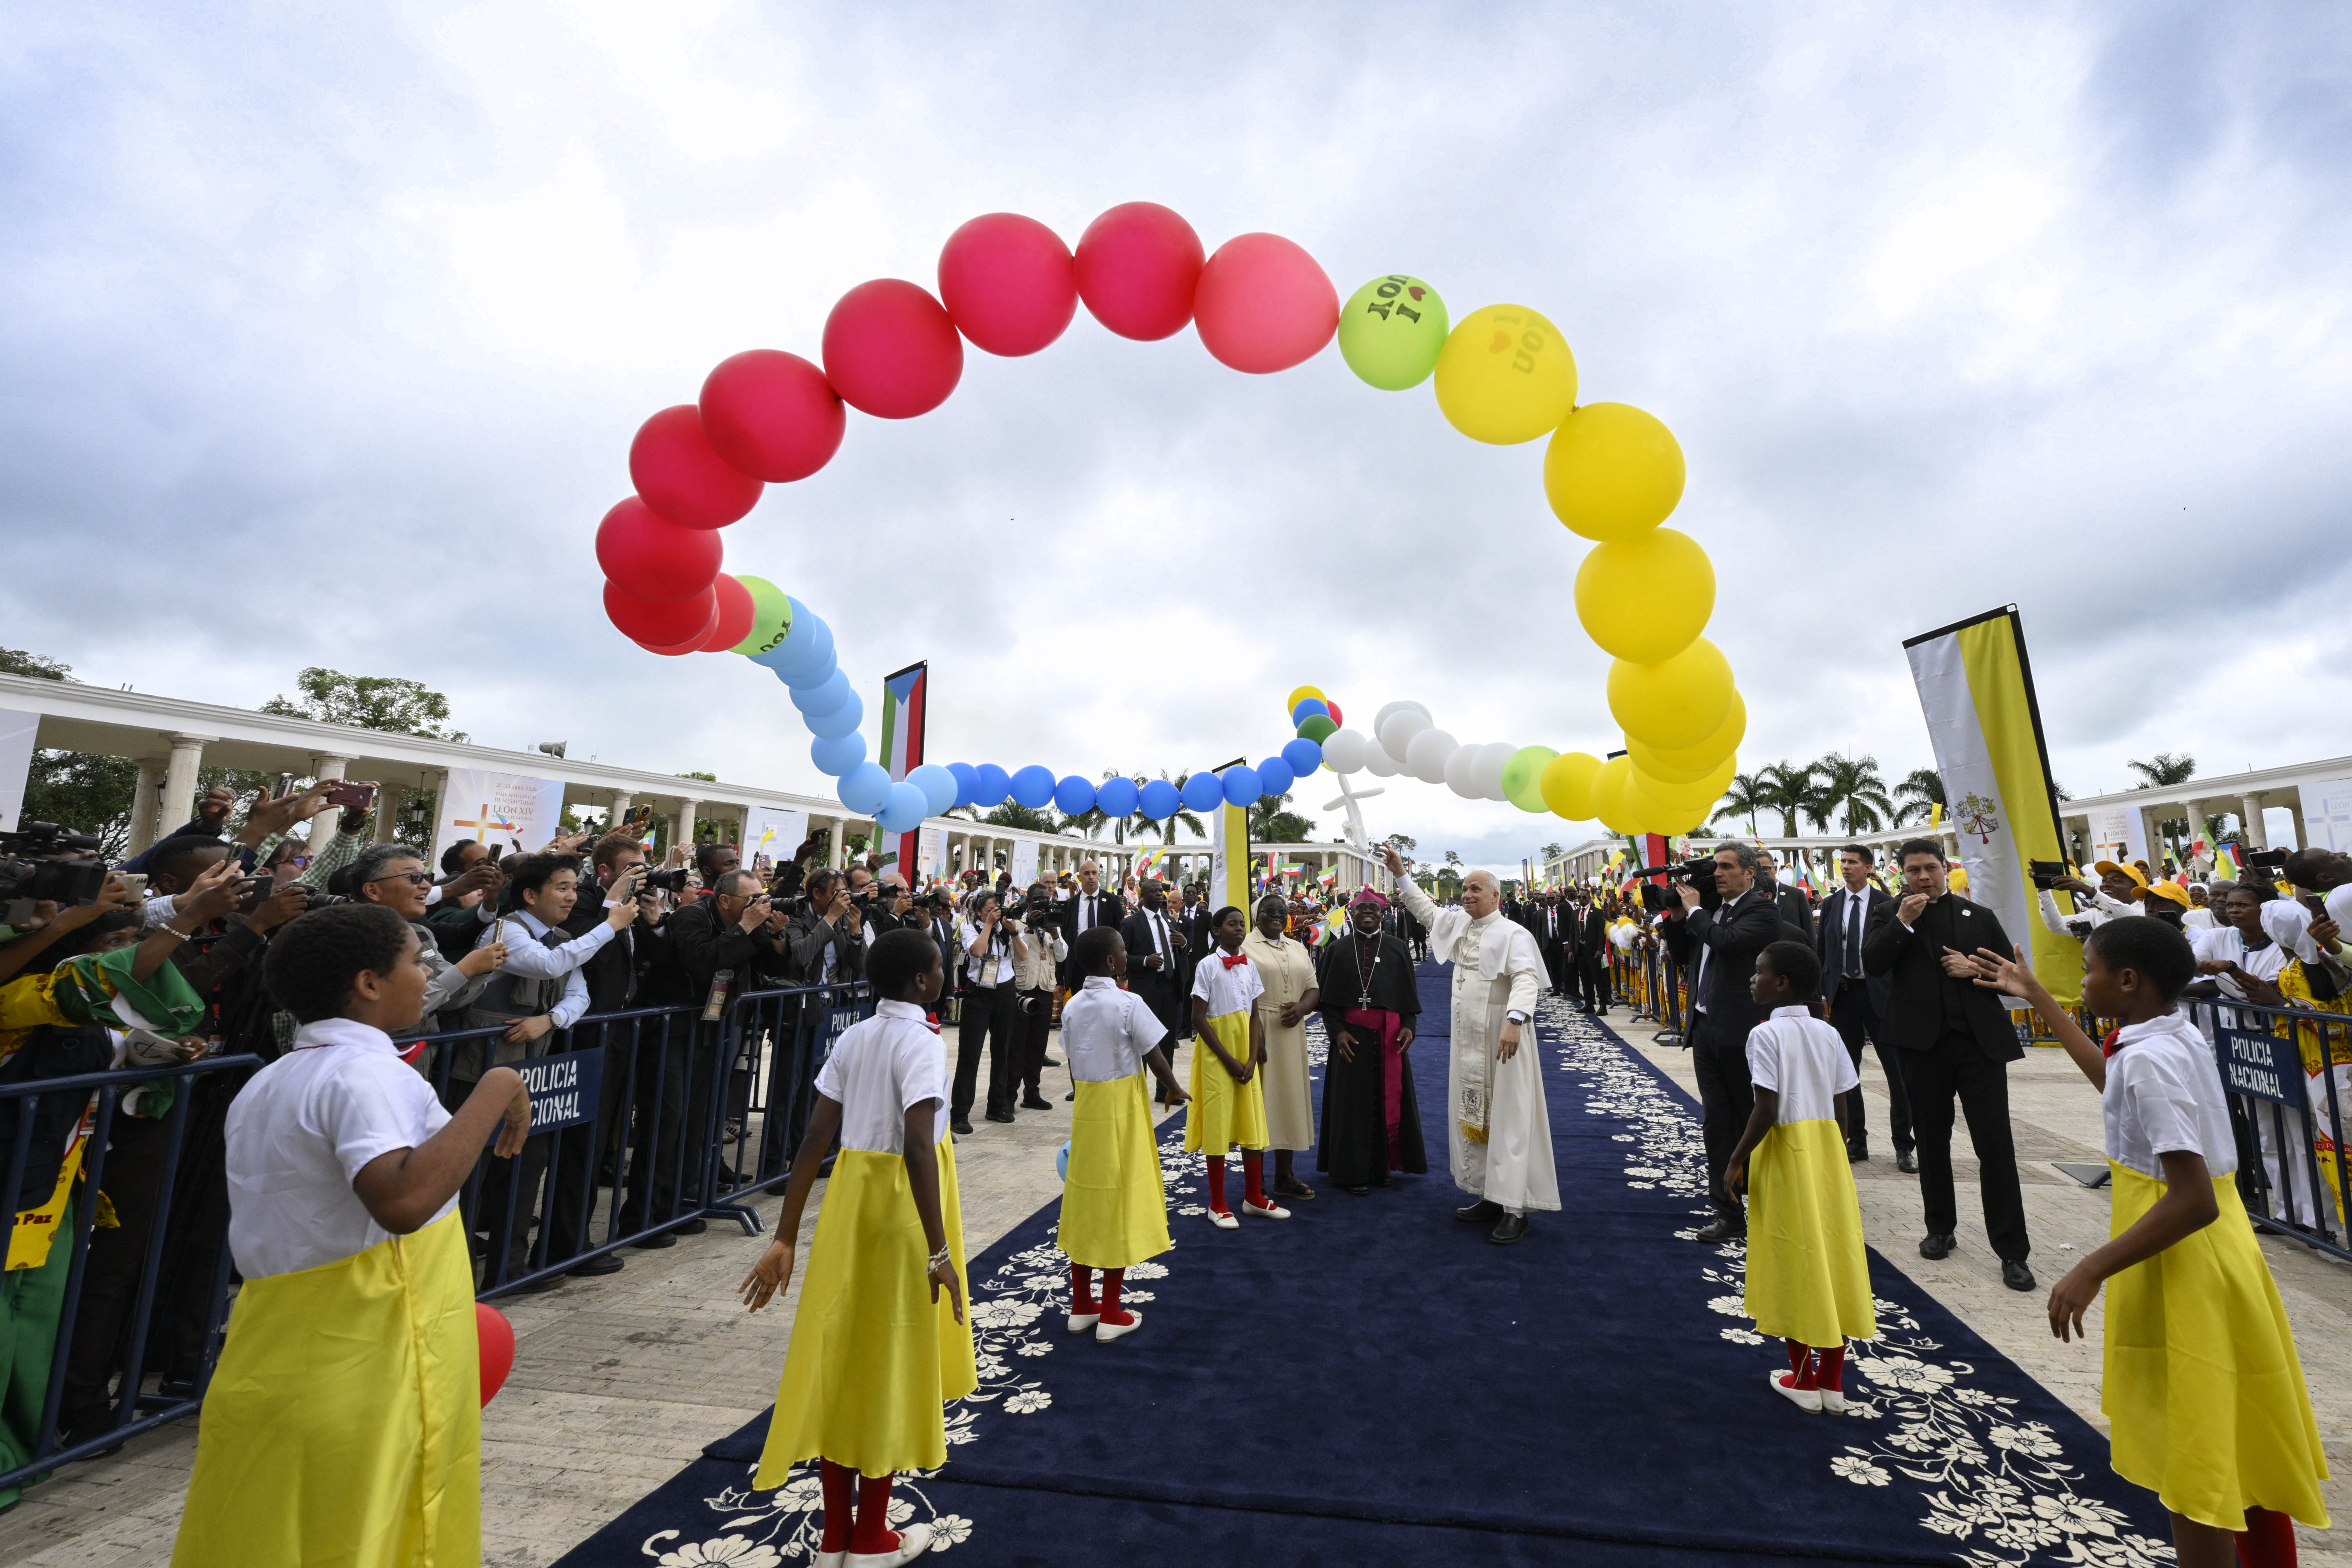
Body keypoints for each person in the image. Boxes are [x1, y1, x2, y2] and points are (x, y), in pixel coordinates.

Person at [171, 904, 532, 1568]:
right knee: (363, 1538)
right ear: (369, 983)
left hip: (275, 1353)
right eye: (413, 962)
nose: (427, 973)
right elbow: (403, 1199)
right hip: (364, 1361)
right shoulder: (363, 1073)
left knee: (265, 1534)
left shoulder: (271, 1079)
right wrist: (499, 1084)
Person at [1971, 919, 2328, 1568]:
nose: (2083, 980)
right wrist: (2039, 997)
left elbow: (2191, 1198)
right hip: (2211, 1251)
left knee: (2191, 1460)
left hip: (2185, 1258)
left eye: (2089, 970)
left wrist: (2090, 1268)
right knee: (2233, 1440)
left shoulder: (2150, 1057)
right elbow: (2117, 1087)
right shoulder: (2160, 1035)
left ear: (2128, 980)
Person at [738, 928, 971, 1568]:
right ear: (924, 982)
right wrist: (938, 1251)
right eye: (939, 966)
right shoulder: (922, 1042)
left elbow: (814, 1138)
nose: (944, 971)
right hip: (902, 1211)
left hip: (850, 1207)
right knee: (889, 1363)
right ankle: (870, 1539)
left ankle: (837, 1532)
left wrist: (787, 1234)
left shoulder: (855, 1036)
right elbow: (919, 1146)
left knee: (843, 1356)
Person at [1862, 839, 2034, 1291]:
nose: (1924, 877)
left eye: (1931, 868)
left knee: (1994, 1145)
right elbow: (1873, 964)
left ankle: (2012, 1251)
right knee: (1932, 1140)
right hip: (1920, 1047)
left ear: (1945, 869)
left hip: (1977, 1046)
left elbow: (2012, 977)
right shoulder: (1887, 915)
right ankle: (1939, 1228)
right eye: (1914, 870)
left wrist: (1973, 970)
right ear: (1901, 873)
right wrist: (1902, 922)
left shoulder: (1976, 916)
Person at [1725, 941, 1875, 1415]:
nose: (1753, 979)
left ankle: (1803, 1378)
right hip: (1827, 1150)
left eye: (1759, 971)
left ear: (1781, 984)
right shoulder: (1827, 1033)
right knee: (1834, 1254)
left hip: (1786, 1152)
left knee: (1792, 1257)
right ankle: (1832, 1381)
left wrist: (1735, 1160)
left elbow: (1765, 1108)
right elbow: (1842, 1105)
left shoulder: (1763, 1035)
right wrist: (1835, 1152)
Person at [1383, 848, 1558, 1245]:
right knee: (1474, 1116)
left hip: (1503, 1035)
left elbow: (1527, 979)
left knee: (1511, 1117)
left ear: (1496, 896)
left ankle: (1515, 1207)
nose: (1467, 895)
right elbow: (1426, 911)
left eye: (1475, 889)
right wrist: (1400, 875)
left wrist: (1515, 1022)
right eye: (1464, 889)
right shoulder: (1459, 924)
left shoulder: (1515, 934)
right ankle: (1488, 1195)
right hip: (1467, 1038)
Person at [1056, 926, 1188, 1341]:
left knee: (1084, 1199)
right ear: (1113, 963)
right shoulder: (1129, 1003)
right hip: (1122, 1110)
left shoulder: (1074, 1006)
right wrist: (1175, 1088)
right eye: (1124, 951)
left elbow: (1073, 1059)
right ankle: (1111, 1310)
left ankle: (1081, 1304)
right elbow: (1155, 1055)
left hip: (1088, 1108)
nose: (1126, 954)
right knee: (1119, 1200)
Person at [1658, 843, 1783, 1242]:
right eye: (1715, 867)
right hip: (1705, 1030)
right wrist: (1679, 915)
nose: (1717, 873)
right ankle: (1727, 1210)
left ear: (1750, 873)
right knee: (1716, 1122)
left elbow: (1729, 943)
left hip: (1741, 1033)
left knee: (1751, 1119)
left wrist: (1695, 911)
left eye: (1727, 867)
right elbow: (1681, 955)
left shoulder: (1761, 910)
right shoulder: (1712, 911)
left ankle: (1765, 1205)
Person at [1314, 889, 1425, 1196]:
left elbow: (1409, 999)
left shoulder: (1397, 948)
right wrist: (1337, 1032)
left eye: (1373, 909)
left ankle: (1383, 1167)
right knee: (1352, 1105)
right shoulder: (1336, 949)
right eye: (1361, 908)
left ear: (1382, 914)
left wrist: (1409, 1027)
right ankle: (1351, 1171)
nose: (1367, 913)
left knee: (1386, 1100)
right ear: (1351, 913)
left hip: (1389, 1039)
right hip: (1351, 1038)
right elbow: (1327, 1002)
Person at [1185, 906, 1288, 1228]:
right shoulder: (1207, 966)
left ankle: (1254, 1198)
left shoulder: (1249, 967)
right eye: (1232, 924)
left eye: (1242, 924)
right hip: (1218, 1057)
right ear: (1216, 931)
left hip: (1246, 1055)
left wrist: (1253, 1053)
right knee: (1218, 1123)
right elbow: (1198, 1018)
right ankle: (1217, 1204)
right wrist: (1229, 1060)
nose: (1239, 929)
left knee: (1252, 1122)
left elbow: (1254, 1014)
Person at [1816, 844, 1913, 1170]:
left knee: (1897, 1074)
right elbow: (1822, 952)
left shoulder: (1887, 904)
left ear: (1869, 868)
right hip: (1844, 995)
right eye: (1842, 862)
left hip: (1881, 997)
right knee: (1846, 1073)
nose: (1846, 867)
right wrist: (1822, 993)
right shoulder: (1831, 904)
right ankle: (1856, 1141)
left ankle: (1904, 1146)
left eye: (1853, 862)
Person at [1242, 892, 1320, 1203]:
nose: (1276, 915)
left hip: (1291, 1032)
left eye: (1281, 911)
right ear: (1256, 916)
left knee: (1288, 1100)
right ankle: (1255, 1180)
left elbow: (1313, 988)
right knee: (1261, 1104)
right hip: (1257, 1029)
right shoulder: (1245, 946)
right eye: (1269, 911)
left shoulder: (1297, 946)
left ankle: (1284, 1175)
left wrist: (1302, 1008)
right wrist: (1254, 1035)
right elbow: (1239, 993)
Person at [951, 889, 1027, 1132]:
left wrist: (1012, 930)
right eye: (989, 910)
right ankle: (960, 1113)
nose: (994, 914)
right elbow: (976, 951)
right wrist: (988, 925)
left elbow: (1023, 956)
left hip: (1005, 991)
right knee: (970, 1055)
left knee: (1002, 1051)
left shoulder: (1006, 928)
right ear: (978, 911)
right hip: (979, 994)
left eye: (997, 909)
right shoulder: (969, 927)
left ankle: (997, 1106)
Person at [1009, 883, 1067, 1111]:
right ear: (1029, 900)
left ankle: (1032, 1093)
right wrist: (1030, 928)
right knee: (1017, 1047)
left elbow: (1062, 956)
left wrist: (1054, 932)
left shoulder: (1054, 922)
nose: (1043, 903)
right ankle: (1009, 1096)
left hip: (1044, 989)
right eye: (1039, 899)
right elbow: (1016, 948)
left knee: (1037, 1046)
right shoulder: (1019, 921)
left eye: (1047, 898)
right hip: (1023, 990)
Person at [1118, 880, 1187, 1049]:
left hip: (1171, 987)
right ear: (1143, 896)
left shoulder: (1169, 920)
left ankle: (1165, 1076)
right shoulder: (1131, 923)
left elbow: (1178, 952)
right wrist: (1144, 961)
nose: (1159, 894)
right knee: (1144, 1043)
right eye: (1154, 892)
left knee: (1168, 1042)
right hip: (1146, 987)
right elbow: (1122, 958)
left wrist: (1184, 944)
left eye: (1160, 891)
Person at [1055, 859, 1125, 984]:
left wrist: (1123, 976)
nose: (1091, 877)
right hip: (1078, 968)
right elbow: (1064, 940)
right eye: (1087, 874)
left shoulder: (1113, 902)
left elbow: (1122, 935)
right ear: (1080, 878)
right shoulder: (1070, 905)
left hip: (1107, 967)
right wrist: (1060, 981)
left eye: (1094, 873)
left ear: (1099, 876)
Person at [1573, 892, 1613, 1014]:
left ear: (1589, 898)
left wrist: (1601, 950)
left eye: (1584, 897)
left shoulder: (1596, 912)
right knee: (1585, 978)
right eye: (1579, 898)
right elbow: (1572, 932)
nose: (1581, 900)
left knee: (1598, 978)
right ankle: (1589, 1004)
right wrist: (1571, 950)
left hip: (1594, 950)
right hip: (1581, 949)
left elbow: (1602, 933)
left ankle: (1603, 1006)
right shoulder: (1576, 913)